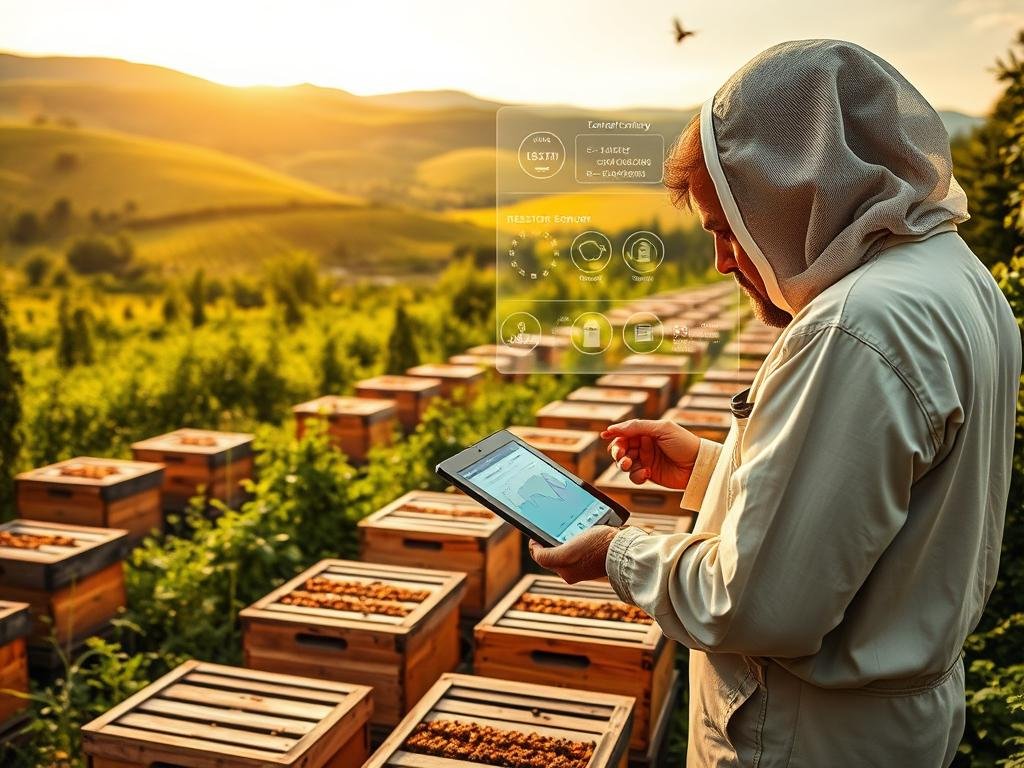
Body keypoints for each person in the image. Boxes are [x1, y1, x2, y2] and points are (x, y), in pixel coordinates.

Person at [529, 39, 1021, 767]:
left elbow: (757, 607)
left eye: (729, 228)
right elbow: (878, 502)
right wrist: (709, 469)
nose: (725, 260)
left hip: (803, 741)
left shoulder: (854, 325)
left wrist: (617, 552)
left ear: (794, 194)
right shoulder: (955, 276)